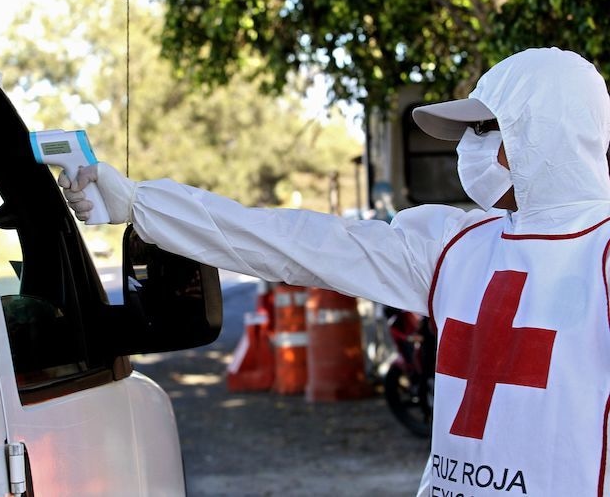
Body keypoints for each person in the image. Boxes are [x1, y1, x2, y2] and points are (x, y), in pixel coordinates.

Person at [59, 47, 610, 496]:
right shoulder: (455, 246)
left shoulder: (601, 256)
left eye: (487, 128)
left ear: (539, 136)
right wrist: (141, 205)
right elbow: (296, 242)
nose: (468, 148)